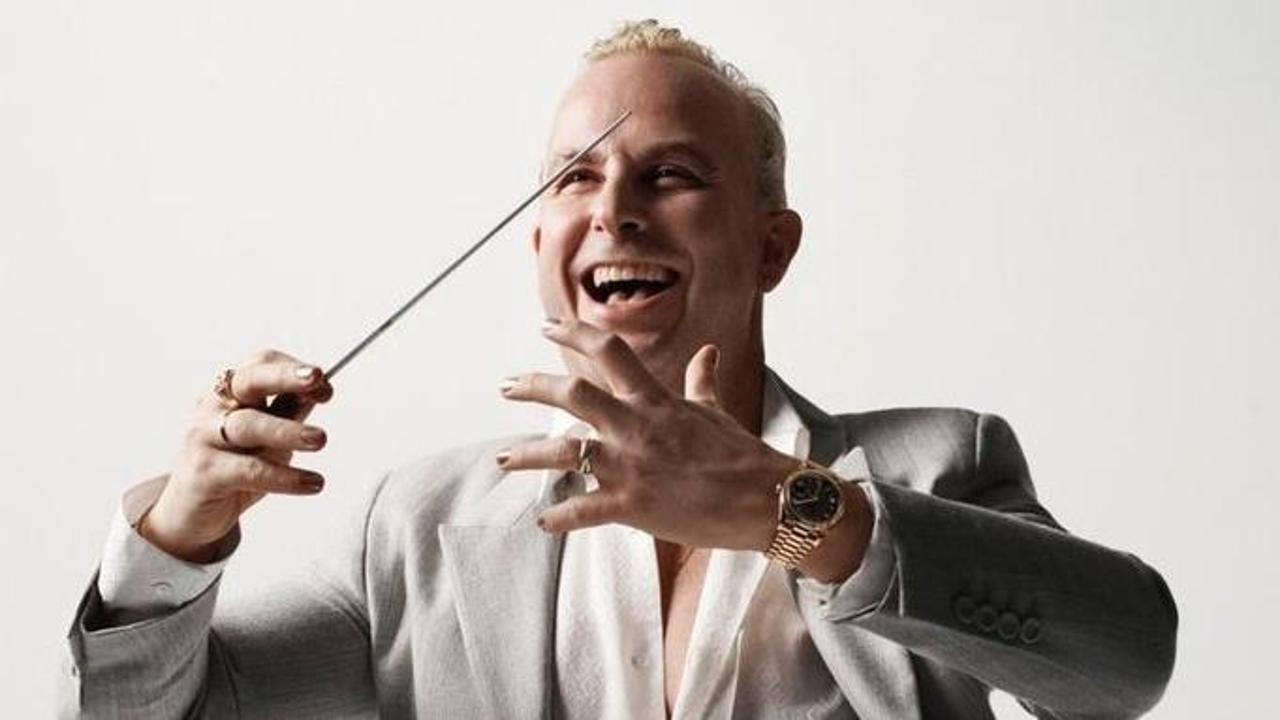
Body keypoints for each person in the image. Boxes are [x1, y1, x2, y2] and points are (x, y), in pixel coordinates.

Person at [59, 19, 1177, 719]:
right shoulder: (414, 527)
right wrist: (178, 536)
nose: (613, 212)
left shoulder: (936, 462)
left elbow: (1124, 665)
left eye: (671, 174)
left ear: (772, 247)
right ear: (539, 242)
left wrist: (790, 514)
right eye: (574, 180)